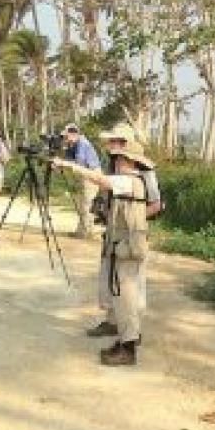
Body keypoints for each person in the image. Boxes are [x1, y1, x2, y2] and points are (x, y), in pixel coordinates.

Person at [54, 138, 153, 366]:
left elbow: (99, 179)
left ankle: (127, 348)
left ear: (128, 160)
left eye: (119, 158)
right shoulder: (131, 181)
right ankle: (125, 341)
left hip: (128, 248)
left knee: (126, 298)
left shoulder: (130, 181)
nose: (115, 162)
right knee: (122, 297)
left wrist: (71, 166)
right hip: (124, 246)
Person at [86, 123, 162, 338]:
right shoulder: (112, 163)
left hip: (130, 235)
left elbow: (156, 204)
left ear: (125, 144)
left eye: (114, 140)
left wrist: (130, 220)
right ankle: (112, 321)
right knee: (108, 277)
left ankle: (130, 333)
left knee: (130, 285)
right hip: (112, 232)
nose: (110, 144)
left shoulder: (145, 171)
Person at [61, 123, 100, 238]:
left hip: (91, 175)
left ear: (74, 134)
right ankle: (85, 230)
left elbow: (80, 162)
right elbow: (69, 160)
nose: (65, 139)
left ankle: (84, 232)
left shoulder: (82, 143)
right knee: (82, 203)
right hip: (84, 175)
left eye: (66, 136)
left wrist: (64, 163)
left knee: (87, 204)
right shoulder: (73, 144)